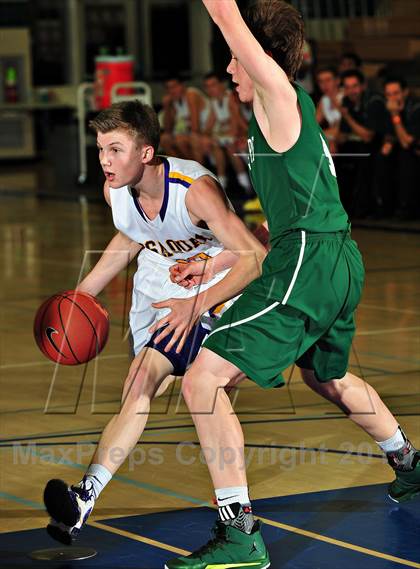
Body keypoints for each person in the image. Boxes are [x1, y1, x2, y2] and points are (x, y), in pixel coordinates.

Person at [160, 2, 420, 568]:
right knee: (325, 374)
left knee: (202, 378)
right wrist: (212, 268)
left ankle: (239, 533)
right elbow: (272, 230)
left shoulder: (279, 96)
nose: (230, 70)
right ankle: (409, 464)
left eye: (235, 58)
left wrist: (228, 19)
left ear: (261, 58)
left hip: (311, 259)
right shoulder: (276, 123)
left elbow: (229, 16)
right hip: (333, 258)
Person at [42, 99, 266, 545]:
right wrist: (81, 295)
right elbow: (131, 236)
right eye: (101, 149)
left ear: (145, 153)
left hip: (212, 289)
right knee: (138, 386)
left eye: (115, 149)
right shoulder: (116, 190)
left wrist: (198, 301)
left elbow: (252, 254)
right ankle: (83, 498)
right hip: (161, 291)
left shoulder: (195, 189)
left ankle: (237, 513)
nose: (104, 160)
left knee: (203, 389)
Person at [372, 76, 420, 219]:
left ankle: (406, 208)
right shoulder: (385, 107)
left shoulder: (416, 108)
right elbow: (389, 135)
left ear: (405, 92)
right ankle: (385, 206)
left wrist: (395, 115)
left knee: (407, 158)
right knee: (381, 157)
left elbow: (407, 142)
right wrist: (388, 143)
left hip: (413, 150)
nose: (392, 98)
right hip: (400, 148)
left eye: (396, 93)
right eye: (388, 94)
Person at [201, 71, 252, 194]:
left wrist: (216, 135)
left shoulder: (231, 98)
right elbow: (208, 128)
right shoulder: (214, 102)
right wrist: (209, 137)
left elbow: (236, 128)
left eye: (213, 85)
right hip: (230, 138)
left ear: (222, 85)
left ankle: (244, 186)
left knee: (227, 146)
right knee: (214, 146)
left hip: (242, 135)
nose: (210, 89)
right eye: (207, 86)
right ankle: (223, 186)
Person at [160, 77, 210, 161]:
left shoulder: (191, 94)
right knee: (165, 139)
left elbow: (195, 127)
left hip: (206, 131)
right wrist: (167, 107)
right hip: (187, 133)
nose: (172, 91)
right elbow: (167, 129)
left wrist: (183, 135)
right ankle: (181, 170)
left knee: (182, 140)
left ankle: (196, 170)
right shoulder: (173, 100)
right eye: (168, 88)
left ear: (182, 85)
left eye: (174, 87)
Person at [315, 66, 343, 153]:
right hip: (332, 140)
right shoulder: (324, 100)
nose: (324, 85)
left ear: (337, 81)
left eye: (328, 80)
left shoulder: (345, 97)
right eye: (321, 81)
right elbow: (313, 125)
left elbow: (339, 130)